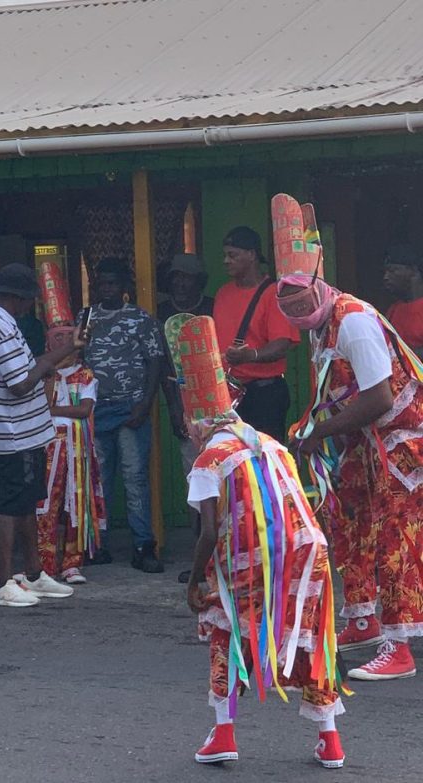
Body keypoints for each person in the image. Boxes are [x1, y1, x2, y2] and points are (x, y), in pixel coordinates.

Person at [173, 314, 345, 769]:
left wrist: (194, 581)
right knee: (311, 638)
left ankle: (223, 732)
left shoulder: (208, 460)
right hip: (309, 552)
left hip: (256, 558)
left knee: (226, 630)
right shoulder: (269, 442)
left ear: (196, 421)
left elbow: (209, 531)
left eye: (188, 422)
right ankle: (330, 740)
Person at [274, 192, 423, 682]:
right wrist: (317, 429)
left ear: (320, 289)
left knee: (396, 538)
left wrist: (319, 431)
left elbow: (380, 398)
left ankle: (399, 647)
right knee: (348, 520)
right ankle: (362, 619)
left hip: (402, 442)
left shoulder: (353, 320)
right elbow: (336, 390)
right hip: (364, 442)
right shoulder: (321, 322)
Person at [0, 262, 81, 606]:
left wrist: (65, 350)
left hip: (24, 430)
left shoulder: (4, 322)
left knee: (25, 502)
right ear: (17, 298)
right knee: (11, 503)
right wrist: (49, 363)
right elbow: (20, 383)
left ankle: (33, 574)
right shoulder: (0, 326)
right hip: (12, 432)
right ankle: (1, 583)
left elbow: (25, 369)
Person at [80, 257, 165, 573]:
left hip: (131, 409)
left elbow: (156, 361)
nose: (107, 289)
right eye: (102, 283)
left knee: (134, 477)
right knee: (98, 480)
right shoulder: (85, 319)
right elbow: (75, 357)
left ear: (124, 286)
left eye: (112, 283)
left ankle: (143, 546)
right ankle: (97, 545)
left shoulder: (140, 319)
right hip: (95, 409)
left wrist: (146, 404)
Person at [35, 262, 106, 584]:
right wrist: (50, 374)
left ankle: (72, 563)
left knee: (76, 502)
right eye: (58, 339)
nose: (64, 344)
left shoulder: (85, 374)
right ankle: (46, 563)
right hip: (48, 447)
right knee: (46, 504)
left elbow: (84, 410)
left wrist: (54, 410)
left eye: (69, 337)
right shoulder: (41, 373)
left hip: (76, 448)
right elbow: (41, 403)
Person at [213, 226, 299, 443]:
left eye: (232, 255)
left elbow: (282, 344)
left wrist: (249, 356)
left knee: (265, 455)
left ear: (251, 255)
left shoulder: (273, 293)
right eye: (225, 255)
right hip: (227, 394)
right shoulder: (223, 293)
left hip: (263, 393)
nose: (226, 261)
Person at [157, 254, 213, 583]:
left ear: (198, 281)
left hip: (217, 406)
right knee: (196, 483)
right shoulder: (162, 313)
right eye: (175, 277)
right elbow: (163, 368)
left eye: (186, 277)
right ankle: (200, 556)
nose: (180, 283)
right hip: (183, 408)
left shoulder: (212, 308)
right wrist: (175, 410)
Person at [382, 244, 423, 354]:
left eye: (393, 270)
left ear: (413, 270)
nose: (386, 277)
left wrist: (401, 355)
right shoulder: (393, 310)